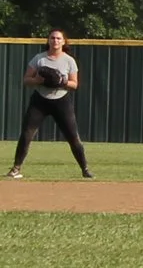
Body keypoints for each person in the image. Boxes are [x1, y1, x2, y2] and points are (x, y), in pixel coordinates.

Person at [11, 28, 93, 180]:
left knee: (73, 137)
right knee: (27, 134)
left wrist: (62, 81)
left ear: (63, 42)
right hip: (40, 100)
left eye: (58, 38)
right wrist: (38, 80)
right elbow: (26, 80)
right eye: (52, 38)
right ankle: (16, 168)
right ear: (48, 41)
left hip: (61, 100)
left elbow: (74, 84)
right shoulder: (39, 58)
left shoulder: (69, 60)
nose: (55, 41)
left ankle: (85, 169)